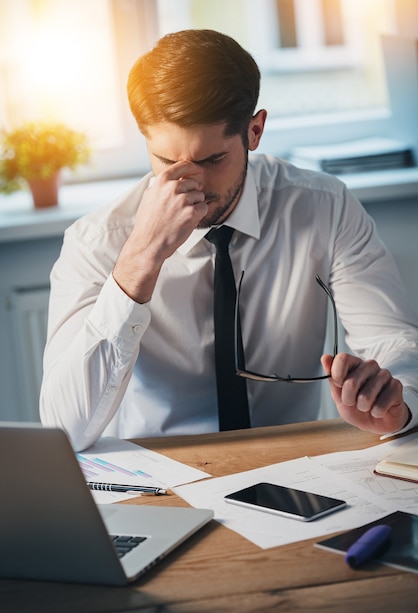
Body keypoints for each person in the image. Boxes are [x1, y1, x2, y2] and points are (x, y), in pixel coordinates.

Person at [40, 29, 418, 451]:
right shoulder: (96, 241)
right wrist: (139, 259)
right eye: (166, 161)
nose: (191, 185)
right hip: (158, 481)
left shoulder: (324, 208)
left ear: (254, 131)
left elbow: (394, 342)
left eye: (212, 160)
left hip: (289, 467)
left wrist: (396, 403)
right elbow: (64, 429)